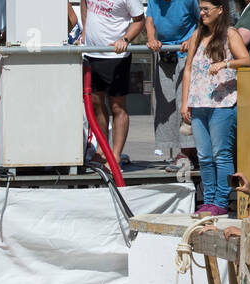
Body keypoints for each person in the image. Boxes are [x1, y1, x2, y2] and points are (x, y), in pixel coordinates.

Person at [181, 0, 250, 216]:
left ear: (220, 9)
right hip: (199, 102)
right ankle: (208, 199)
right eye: (200, 9)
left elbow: (247, 60)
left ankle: (221, 201)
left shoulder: (230, 34)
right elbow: (188, 69)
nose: (202, 13)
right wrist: (185, 101)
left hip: (223, 103)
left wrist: (225, 64)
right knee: (204, 155)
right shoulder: (197, 35)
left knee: (221, 154)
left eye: (206, 9)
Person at [80, 0, 146, 166]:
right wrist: (84, 31)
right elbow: (84, 3)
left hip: (115, 56)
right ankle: (102, 150)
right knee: (95, 103)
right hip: (91, 53)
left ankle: (115, 155)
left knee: (117, 106)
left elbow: (139, 20)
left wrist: (125, 39)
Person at [145, 0, 200, 171]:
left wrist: (192, 39)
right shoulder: (154, 1)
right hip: (165, 53)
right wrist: (151, 38)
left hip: (186, 52)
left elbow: (203, 20)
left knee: (185, 104)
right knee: (165, 107)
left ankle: (189, 152)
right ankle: (177, 151)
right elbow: (150, 21)